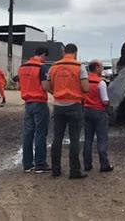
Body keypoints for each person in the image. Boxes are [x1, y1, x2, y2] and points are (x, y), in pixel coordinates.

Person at [44, 43, 89, 179]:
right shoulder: (79, 66)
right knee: (74, 139)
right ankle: (74, 171)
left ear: (64, 52)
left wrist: (57, 92)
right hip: (74, 105)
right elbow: (86, 88)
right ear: (75, 53)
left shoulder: (54, 66)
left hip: (58, 105)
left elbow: (47, 86)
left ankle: (56, 169)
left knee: (57, 137)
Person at [18, 47, 51, 173]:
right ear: (43, 54)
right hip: (40, 103)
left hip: (27, 103)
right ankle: (40, 164)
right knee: (40, 133)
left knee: (28, 133)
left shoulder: (22, 67)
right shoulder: (41, 68)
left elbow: (19, 85)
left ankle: (27, 164)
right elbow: (45, 86)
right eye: (45, 57)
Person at [83, 60, 114, 173]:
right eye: (101, 67)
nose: (102, 69)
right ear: (96, 68)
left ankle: (87, 164)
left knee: (88, 139)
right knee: (102, 139)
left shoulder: (85, 81)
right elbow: (105, 100)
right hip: (99, 112)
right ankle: (104, 165)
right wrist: (110, 104)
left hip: (86, 110)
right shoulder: (101, 83)